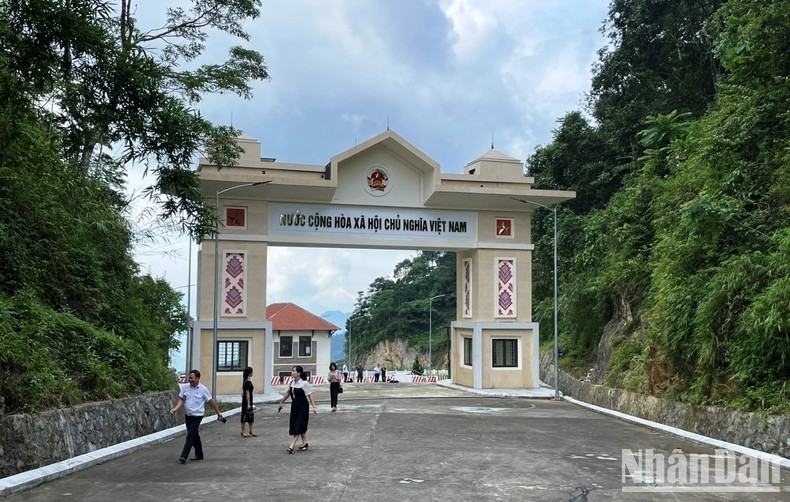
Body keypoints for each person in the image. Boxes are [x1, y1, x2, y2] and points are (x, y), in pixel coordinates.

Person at [169, 369, 225, 464]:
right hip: (188, 415)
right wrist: (175, 409)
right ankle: (199, 454)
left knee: (190, 435)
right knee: (195, 435)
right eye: (189, 378)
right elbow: (182, 400)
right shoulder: (185, 388)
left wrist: (218, 413)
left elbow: (211, 401)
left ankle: (183, 456)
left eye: (192, 378)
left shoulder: (203, 389)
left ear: (198, 378)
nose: (190, 379)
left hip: (197, 416)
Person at [277, 365, 318, 453]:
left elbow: (310, 395)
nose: (292, 372)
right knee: (296, 424)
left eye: (294, 371)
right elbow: (288, 393)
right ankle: (304, 443)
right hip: (295, 406)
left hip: (303, 406)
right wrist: (282, 401)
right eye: (292, 371)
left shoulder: (304, 383)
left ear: (298, 373)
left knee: (298, 425)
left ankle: (292, 445)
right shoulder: (292, 382)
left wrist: (314, 407)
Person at [240, 366, 256, 437]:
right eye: (252, 372)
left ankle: (251, 430)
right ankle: (243, 431)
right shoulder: (246, 382)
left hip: (249, 399)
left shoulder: (247, 381)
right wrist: (249, 403)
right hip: (246, 401)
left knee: (250, 415)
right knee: (244, 415)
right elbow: (247, 393)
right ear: (250, 373)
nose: (252, 373)